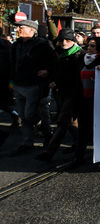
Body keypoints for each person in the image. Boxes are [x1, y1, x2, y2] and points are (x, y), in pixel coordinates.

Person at [66, 37, 100, 169]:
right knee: (83, 129)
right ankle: (78, 157)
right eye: (88, 45)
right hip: (84, 101)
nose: (89, 48)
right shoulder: (82, 60)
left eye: (93, 46)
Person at [36, 29, 85, 162]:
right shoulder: (57, 52)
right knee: (72, 122)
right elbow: (55, 70)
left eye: (67, 40)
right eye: (61, 40)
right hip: (60, 91)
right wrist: (52, 80)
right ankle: (79, 144)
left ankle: (49, 152)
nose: (64, 42)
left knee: (62, 121)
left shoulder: (80, 54)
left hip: (73, 93)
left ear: (73, 41)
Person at [9, 20, 55, 156]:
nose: (18, 30)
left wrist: (47, 71)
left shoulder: (43, 44)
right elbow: (11, 63)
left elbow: (52, 62)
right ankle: (27, 142)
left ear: (31, 29)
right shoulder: (16, 45)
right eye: (17, 27)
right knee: (23, 116)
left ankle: (48, 132)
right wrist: (11, 82)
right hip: (18, 84)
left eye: (21, 27)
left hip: (33, 84)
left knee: (30, 114)